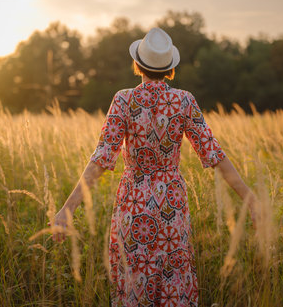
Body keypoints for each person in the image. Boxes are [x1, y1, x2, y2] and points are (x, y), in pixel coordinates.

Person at [51, 27, 257, 306]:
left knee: (135, 284)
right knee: (173, 281)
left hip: (133, 205)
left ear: (137, 64)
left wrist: (68, 208)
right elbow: (215, 155)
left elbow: (101, 160)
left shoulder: (123, 100)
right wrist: (250, 199)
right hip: (171, 206)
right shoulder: (184, 101)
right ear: (170, 68)